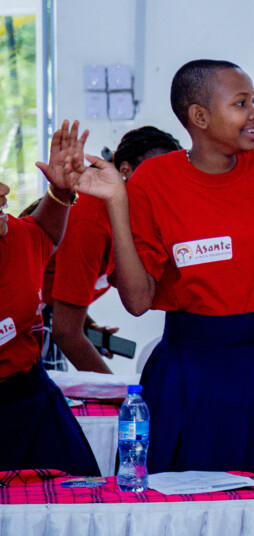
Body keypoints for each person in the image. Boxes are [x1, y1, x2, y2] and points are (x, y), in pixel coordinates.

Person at [76, 60, 254, 473]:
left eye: (253, 102)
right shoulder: (155, 180)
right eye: (241, 103)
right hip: (189, 373)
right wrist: (117, 203)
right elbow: (137, 301)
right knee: (184, 497)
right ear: (199, 117)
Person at [35, 126, 182, 374]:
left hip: (45, 318)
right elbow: (66, 333)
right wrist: (119, 391)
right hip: (22, 322)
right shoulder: (90, 216)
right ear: (125, 170)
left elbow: (57, 289)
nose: (165, 186)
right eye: (156, 174)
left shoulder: (127, 215)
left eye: (172, 177)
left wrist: (86, 326)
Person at [0, 120, 100, 475]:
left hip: (31, 403)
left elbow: (44, 232)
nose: (4, 191)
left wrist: (60, 191)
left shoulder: (14, 238)